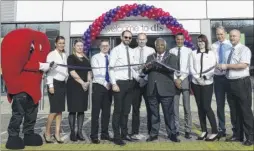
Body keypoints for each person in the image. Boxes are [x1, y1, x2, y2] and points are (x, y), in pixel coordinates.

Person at [1, 28, 55, 149]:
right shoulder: (21, 53)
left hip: (33, 88)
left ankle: (28, 134)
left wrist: (46, 65)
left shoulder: (36, 49)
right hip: (21, 88)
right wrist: (41, 65)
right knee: (18, 114)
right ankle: (13, 136)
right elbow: (22, 64)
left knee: (32, 114)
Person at [217, 29, 254, 146]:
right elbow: (226, 65)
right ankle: (237, 135)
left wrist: (226, 65)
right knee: (234, 111)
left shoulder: (244, 49)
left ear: (239, 37)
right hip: (230, 83)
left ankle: (250, 137)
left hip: (242, 83)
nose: (232, 38)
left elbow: (243, 64)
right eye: (231, 36)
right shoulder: (228, 50)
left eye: (235, 36)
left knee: (245, 110)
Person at [144, 38, 180, 142]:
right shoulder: (150, 57)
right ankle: (154, 133)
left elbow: (172, 69)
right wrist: (147, 67)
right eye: (158, 45)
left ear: (165, 46)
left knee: (168, 113)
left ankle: (172, 134)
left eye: (162, 45)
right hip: (152, 89)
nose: (160, 47)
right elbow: (145, 71)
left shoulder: (172, 57)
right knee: (154, 114)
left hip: (166, 90)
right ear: (155, 46)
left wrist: (157, 65)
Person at [190, 34, 219, 141]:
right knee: (200, 107)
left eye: (202, 41)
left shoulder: (211, 53)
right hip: (196, 83)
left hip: (208, 83)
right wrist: (198, 78)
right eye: (199, 41)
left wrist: (206, 77)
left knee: (206, 106)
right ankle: (204, 130)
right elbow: (191, 67)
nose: (200, 43)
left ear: (206, 42)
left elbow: (213, 67)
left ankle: (215, 131)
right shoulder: (193, 53)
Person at [109, 30, 136, 146]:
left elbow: (133, 69)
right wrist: (114, 83)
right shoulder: (115, 50)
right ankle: (116, 136)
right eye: (126, 37)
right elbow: (111, 68)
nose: (128, 39)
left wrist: (140, 78)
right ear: (121, 37)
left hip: (130, 84)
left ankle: (124, 134)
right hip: (119, 84)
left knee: (126, 111)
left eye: (130, 38)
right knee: (118, 111)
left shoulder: (132, 51)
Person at [66, 39, 92, 142]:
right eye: (78, 46)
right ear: (74, 47)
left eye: (81, 46)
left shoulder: (86, 58)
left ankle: (80, 132)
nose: (80, 47)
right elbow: (72, 72)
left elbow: (89, 72)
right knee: (73, 110)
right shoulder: (71, 57)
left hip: (84, 86)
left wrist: (88, 82)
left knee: (81, 110)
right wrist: (82, 83)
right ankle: (73, 132)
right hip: (73, 86)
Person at [44, 36, 68, 144]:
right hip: (54, 83)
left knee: (60, 111)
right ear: (55, 44)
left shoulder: (64, 55)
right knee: (53, 110)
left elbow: (65, 69)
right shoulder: (51, 55)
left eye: (63, 43)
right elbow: (48, 71)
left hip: (62, 84)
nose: (62, 45)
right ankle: (47, 132)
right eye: (60, 43)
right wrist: (50, 85)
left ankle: (57, 133)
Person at [131, 33, 155, 139]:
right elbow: (131, 67)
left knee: (150, 107)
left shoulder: (151, 51)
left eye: (143, 39)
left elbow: (153, 67)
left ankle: (151, 131)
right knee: (135, 108)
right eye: (139, 39)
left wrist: (144, 79)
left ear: (146, 40)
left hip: (147, 82)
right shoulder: (132, 51)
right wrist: (138, 78)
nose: (141, 41)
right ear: (137, 40)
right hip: (136, 82)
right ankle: (134, 131)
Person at [211, 26, 233, 137]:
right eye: (218, 34)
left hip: (229, 77)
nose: (220, 36)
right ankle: (222, 129)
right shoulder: (213, 46)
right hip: (218, 77)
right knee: (220, 105)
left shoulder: (231, 45)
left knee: (232, 104)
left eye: (221, 34)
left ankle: (235, 129)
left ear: (226, 33)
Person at [169, 33, 192, 139]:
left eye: (181, 39)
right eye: (178, 39)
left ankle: (188, 130)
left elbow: (189, 67)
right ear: (175, 39)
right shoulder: (171, 51)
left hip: (184, 80)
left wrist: (181, 79)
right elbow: (170, 67)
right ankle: (176, 129)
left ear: (184, 40)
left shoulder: (188, 51)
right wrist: (175, 79)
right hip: (174, 82)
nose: (179, 41)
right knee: (175, 108)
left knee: (187, 107)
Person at [90, 39, 112, 144]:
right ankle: (94, 135)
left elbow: (113, 72)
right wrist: (105, 83)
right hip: (99, 86)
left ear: (109, 47)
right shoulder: (95, 57)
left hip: (109, 88)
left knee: (106, 113)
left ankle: (104, 134)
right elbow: (96, 72)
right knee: (96, 112)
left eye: (106, 45)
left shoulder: (111, 58)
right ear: (100, 47)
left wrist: (111, 83)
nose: (105, 47)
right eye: (103, 45)